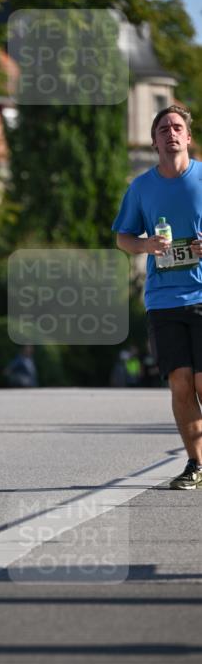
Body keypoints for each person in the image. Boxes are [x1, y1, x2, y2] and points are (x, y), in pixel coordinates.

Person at [113, 105, 202, 489]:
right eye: (163, 128)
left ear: (188, 137)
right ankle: (196, 464)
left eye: (177, 127)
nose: (171, 133)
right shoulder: (141, 187)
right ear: (154, 141)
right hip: (164, 300)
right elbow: (123, 238)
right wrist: (146, 245)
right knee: (181, 383)